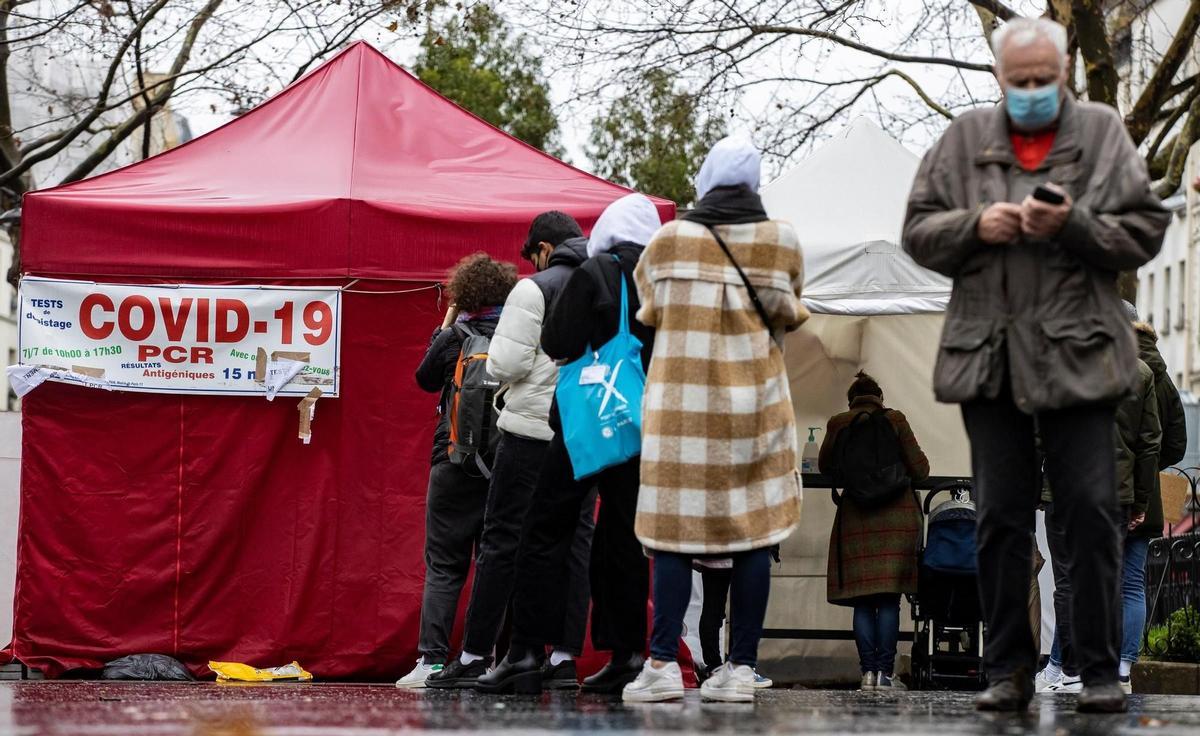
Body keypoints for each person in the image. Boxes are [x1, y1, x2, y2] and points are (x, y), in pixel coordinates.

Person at [902, 16, 1168, 713]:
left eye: (1042, 81)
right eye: (1017, 82)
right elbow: (917, 232)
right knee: (1000, 517)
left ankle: (1101, 672)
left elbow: (1144, 230)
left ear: (1065, 71)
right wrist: (975, 226)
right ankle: (1007, 671)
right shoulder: (963, 139)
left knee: (1091, 512)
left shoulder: (1103, 132)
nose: (1029, 92)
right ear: (998, 79)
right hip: (989, 358)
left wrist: (1072, 223)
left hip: (1081, 358)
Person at [622, 137, 807, 704]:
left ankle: (659, 666)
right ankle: (741, 669)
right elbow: (791, 310)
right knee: (754, 534)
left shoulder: (669, 241)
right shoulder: (781, 241)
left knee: (673, 535)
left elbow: (647, 307)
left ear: (704, 179)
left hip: (681, 408)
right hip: (756, 406)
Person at [478, 193, 661, 695]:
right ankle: (626, 654)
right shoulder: (662, 280)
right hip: (638, 423)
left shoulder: (596, 271)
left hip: (585, 420)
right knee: (622, 537)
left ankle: (526, 652)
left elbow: (558, 341)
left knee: (545, 529)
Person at [424, 212, 598, 689]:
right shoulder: (604, 280)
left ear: (543, 248)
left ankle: (479, 653)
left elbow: (505, 363)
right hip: (583, 432)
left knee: (503, 542)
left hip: (530, 431)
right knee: (572, 545)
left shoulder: (533, 288)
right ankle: (561, 658)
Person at [396, 253, 517, 688]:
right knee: (495, 564)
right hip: (503, 466)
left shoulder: (453, 336)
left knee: (444, 567)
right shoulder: (517, 336)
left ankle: (430, 660)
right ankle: (488, 659)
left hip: (450, 463)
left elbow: (425, 380)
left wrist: (440, 337)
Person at [1038, 315, 1160, 695]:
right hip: (1115, 495)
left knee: (1068, 584)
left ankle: (1071, 668)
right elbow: (1150, 442)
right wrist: (1140, 500)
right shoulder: (1139, 372)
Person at [820, 372, 929, 691]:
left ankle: (867, 673)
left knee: (863, 603)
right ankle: (885, 674)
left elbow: (826, 467)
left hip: (856, 518)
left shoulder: (839, 422)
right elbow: (921, 469)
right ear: (880, 397)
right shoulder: (895, 419)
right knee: (889, 601)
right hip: (896, 520)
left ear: (851, 399)